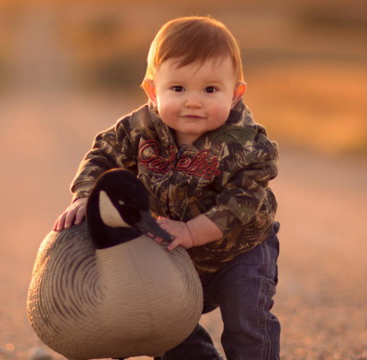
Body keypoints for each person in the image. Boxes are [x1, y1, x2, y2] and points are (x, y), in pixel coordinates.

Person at [54, 16, 280, 360]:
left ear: (235, 94)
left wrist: (191, 231)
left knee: (247, 321)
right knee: (163, 321)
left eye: (210, 90)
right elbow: (103, 154)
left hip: (239, 252)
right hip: (174, 249)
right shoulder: (140, 129)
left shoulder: (247, 144)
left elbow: (240, 204)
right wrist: (86, 194)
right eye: (178, 89)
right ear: (152, 91)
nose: (193, 101)